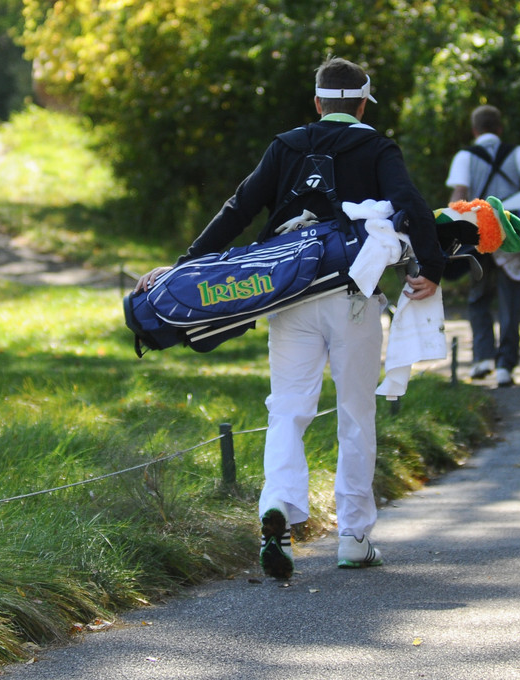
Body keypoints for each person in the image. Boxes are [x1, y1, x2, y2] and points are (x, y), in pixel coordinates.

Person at [135, 57, 444, 579]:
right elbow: (408, 202)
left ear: (318, 102)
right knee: (355, 414)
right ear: (363, 105)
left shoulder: (287, 145)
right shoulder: (377, 147)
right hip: (354, 294)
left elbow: (239, 208)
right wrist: (431, 267)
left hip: (289, 293)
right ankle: (353, 537)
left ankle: (277, 503)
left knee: (288, 408)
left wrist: (184, 267)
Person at [445, 105, 520, 387]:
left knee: (478, 296)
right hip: (512, 235)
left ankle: (482, 359)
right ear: (500, 129)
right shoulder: (518, 153)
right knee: (510, 298)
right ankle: (505, 366)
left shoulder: (465, 156)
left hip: (478, 235)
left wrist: (450, 228)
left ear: (474, 131)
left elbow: (459, 194)